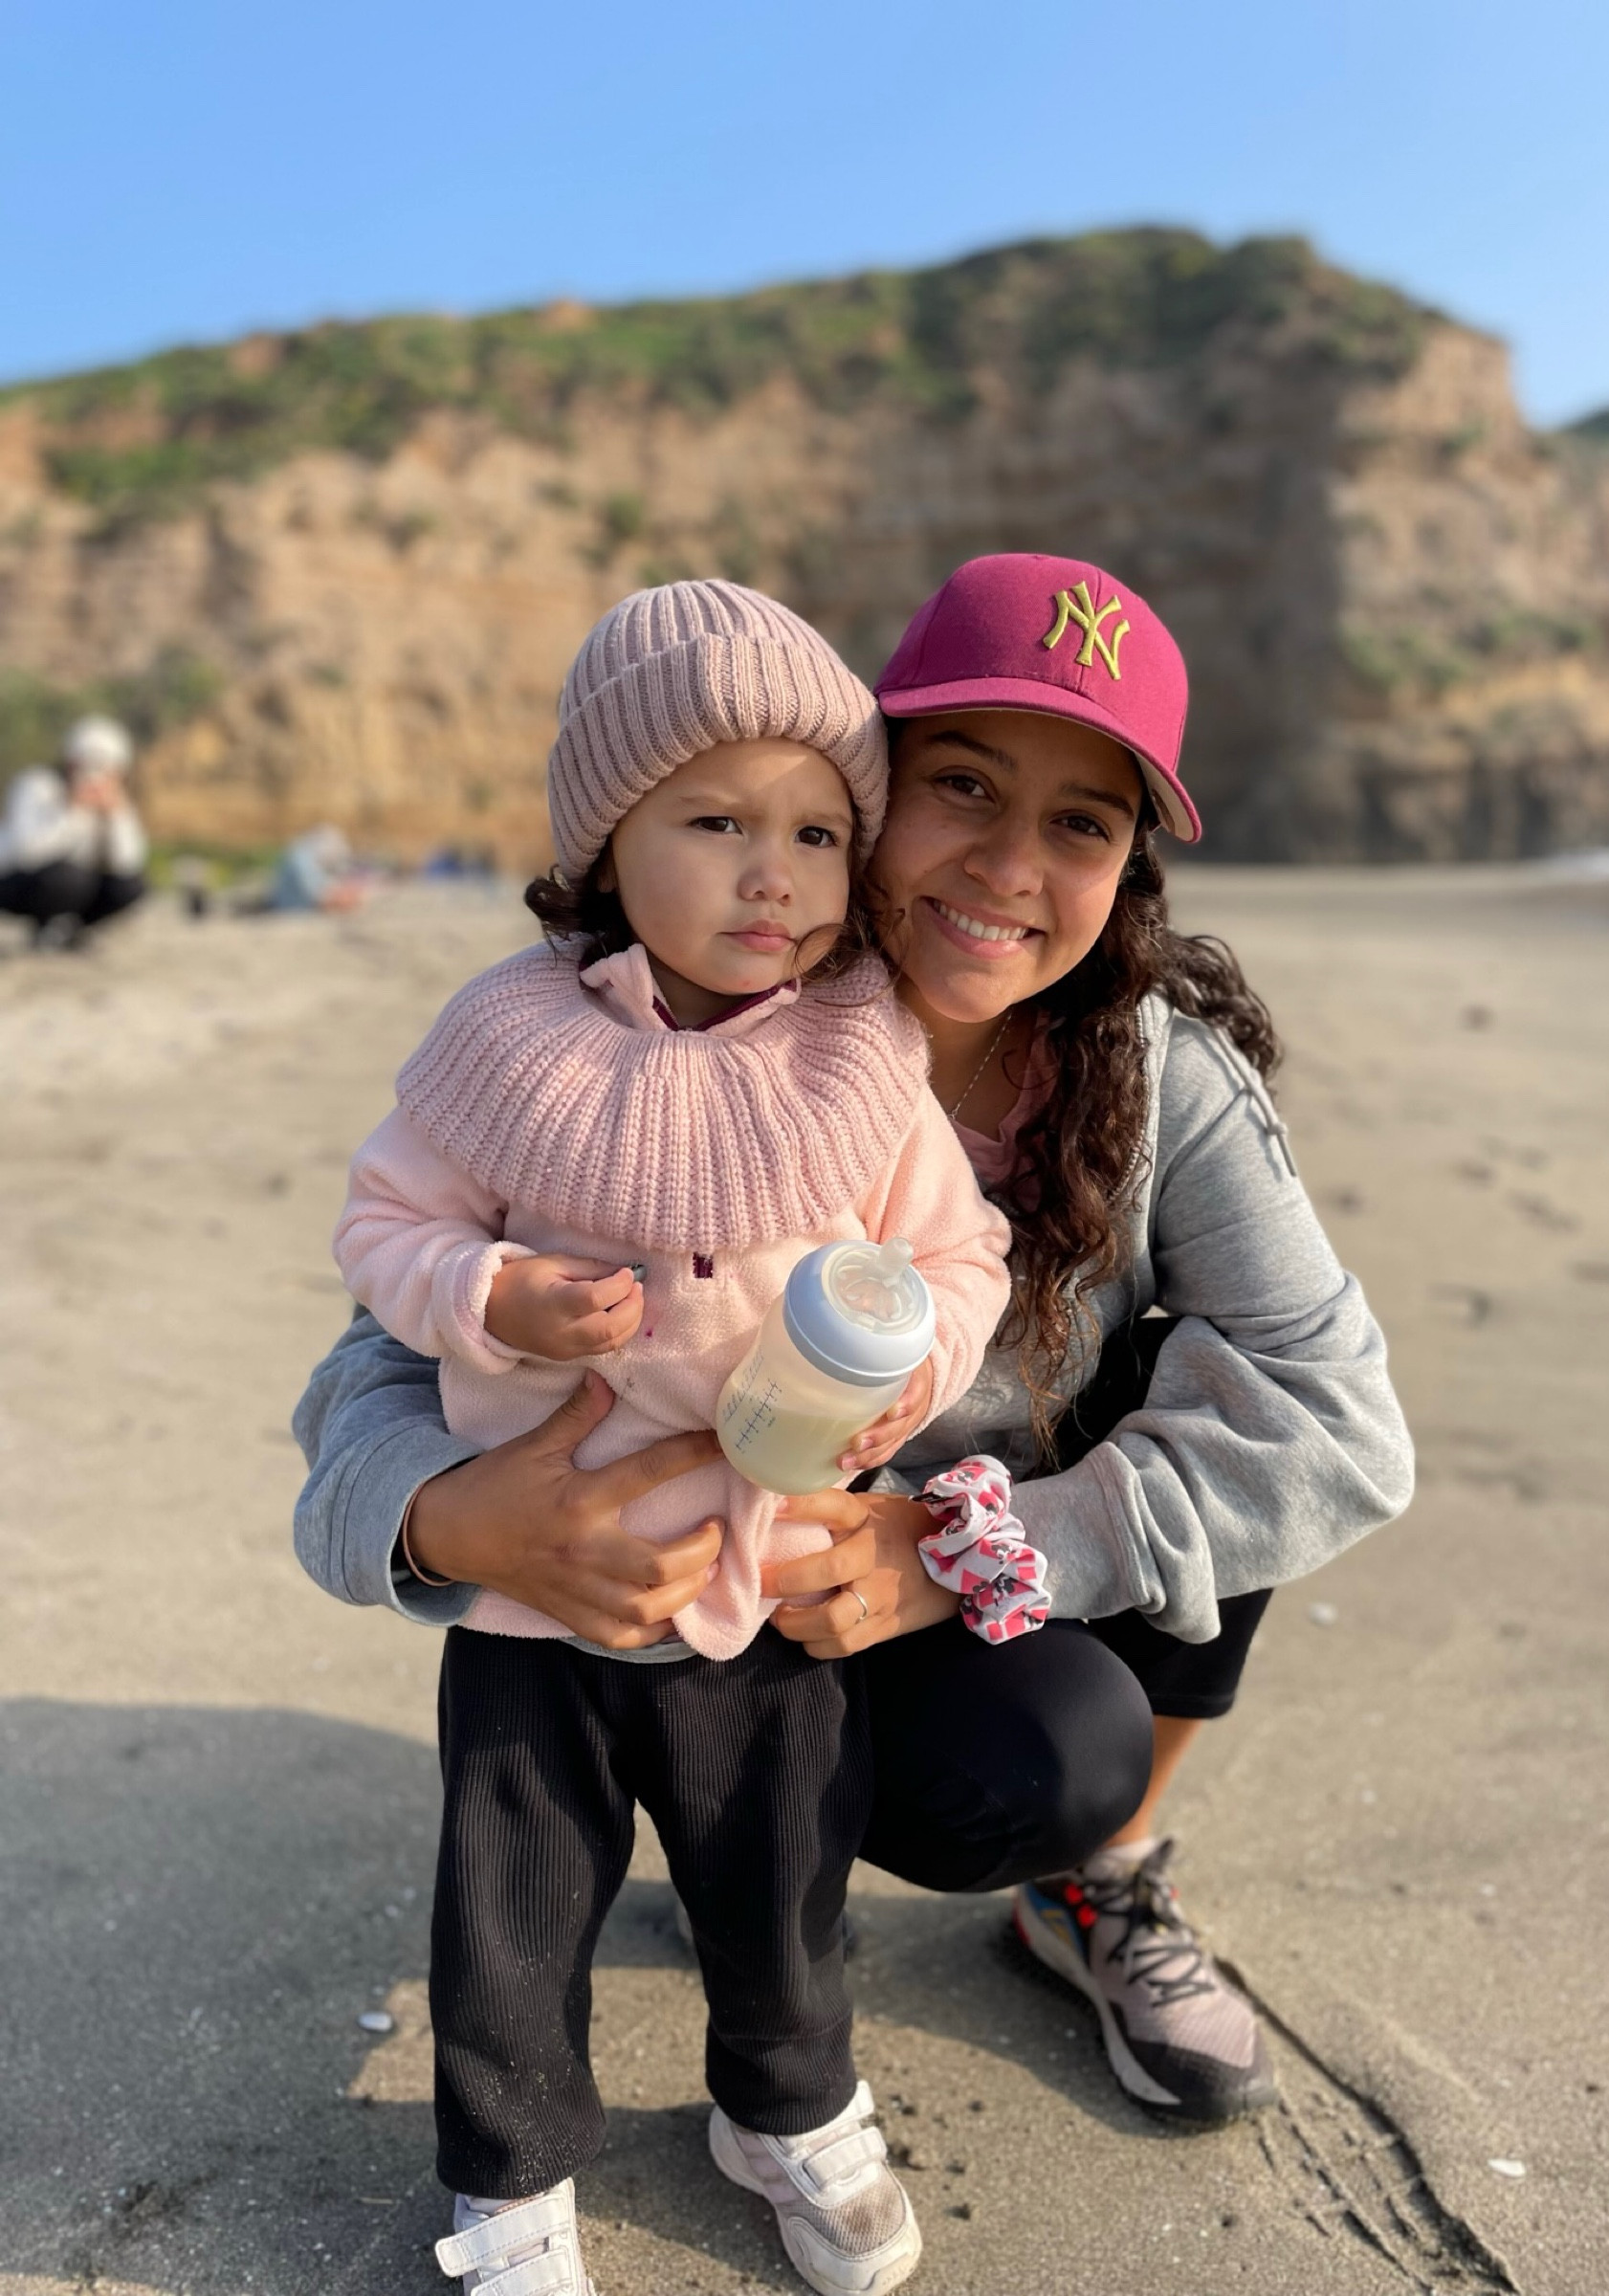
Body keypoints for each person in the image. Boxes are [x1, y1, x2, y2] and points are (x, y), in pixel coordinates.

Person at [294, 554, 1414, 2256]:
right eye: (962, 787)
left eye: (1082, 824)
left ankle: (1097, 1884)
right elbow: (377, 1344)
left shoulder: (1160, 1081)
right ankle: (670, 1915)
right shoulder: (629, 1027)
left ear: (1129, 869)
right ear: (870, 785)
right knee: (585, 1815)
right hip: (673, 1585)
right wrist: (450, 1520)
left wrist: (970, 1551)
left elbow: (1339, 1422)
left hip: (948, 1597)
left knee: (1196, 1439)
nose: (1010, 867)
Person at [325, 580, 1013, 2296]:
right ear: (604, 844)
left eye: (815, 833)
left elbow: (960, 1256)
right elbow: (383, 1228)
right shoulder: (507, 1044)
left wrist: (911, 1367)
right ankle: (507, 2169)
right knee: (512, 1900)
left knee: (781, 1877)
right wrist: (490, 1292)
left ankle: (785, 2106)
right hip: (533, 1590)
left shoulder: (864, 1055)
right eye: (714, 823)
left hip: (765, 1569)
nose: (772, 874)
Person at [0, 714, 148, 947]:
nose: (95, 776)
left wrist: (116, 817)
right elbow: (26, 853)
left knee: (130, 886)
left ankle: (67, 931)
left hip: (77, 887)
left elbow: (128, 865)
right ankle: (47, 925)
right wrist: (75, 812)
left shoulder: (115, 802)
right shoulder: (37, 785)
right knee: (69, 877)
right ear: (71, 762)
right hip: (16, 881)